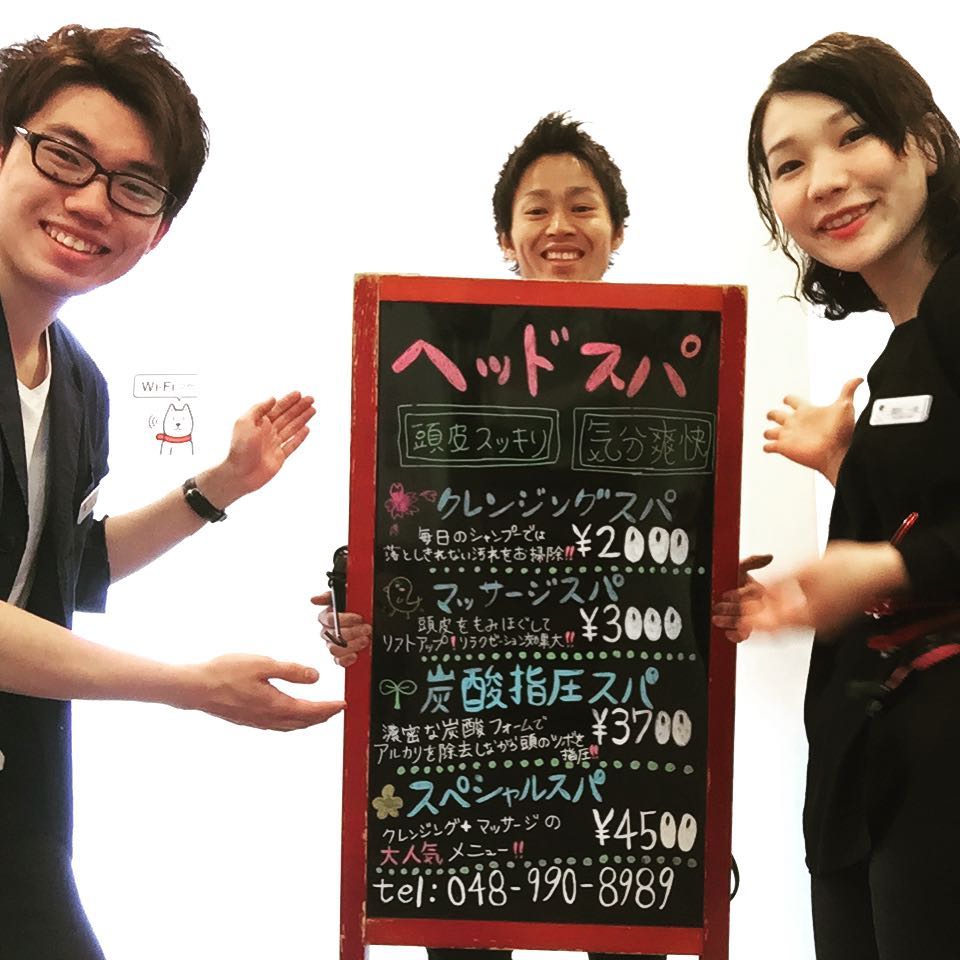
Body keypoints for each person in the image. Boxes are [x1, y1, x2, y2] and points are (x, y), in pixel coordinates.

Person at [0, 25, 344, 958]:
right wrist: (190, 687)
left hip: (21, 797)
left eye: (134, 186)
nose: (90, 201)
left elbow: (63, 570)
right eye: (64, 155)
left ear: (156, 231)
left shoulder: (77, 384)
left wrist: (218, 487)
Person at [317, 113, 671, 960]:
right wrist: (360, 601)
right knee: (468, 930)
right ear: (506, 238)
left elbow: (681, 524)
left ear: (617, 230)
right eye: (536, 209)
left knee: (632, 932)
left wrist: (716, 590)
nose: (559, 227)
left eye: (582, 206)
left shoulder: (670, 363)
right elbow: (411, 519)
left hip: (624, 693)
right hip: (472, 704)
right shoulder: (446, 353)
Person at [735, 32, 960, 960]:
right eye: (789, 165)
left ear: (926, 144)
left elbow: (915, 557)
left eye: (853, 135)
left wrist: (887, 566)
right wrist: (848, 474)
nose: (824, 180)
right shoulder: (907, 346)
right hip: (873, 780)